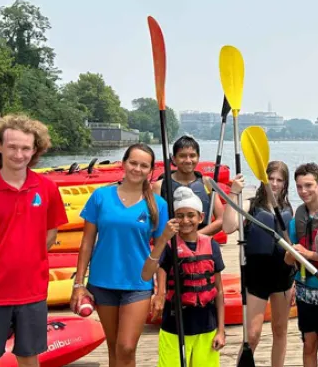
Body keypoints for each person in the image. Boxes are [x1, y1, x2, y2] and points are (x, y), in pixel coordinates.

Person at [0, 114, 69, 367]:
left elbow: (51, 234)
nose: (19, 154)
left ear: (35, 149)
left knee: (29, 357)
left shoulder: (48, 189)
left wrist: (27, 258)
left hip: (32, 291)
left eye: (26, 148)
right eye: (12, 147)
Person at [69, 143, 174, 367]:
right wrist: (79, 284)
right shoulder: (101, 197)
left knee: (127, 347)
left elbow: (162, 249)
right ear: (124, 163)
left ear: (150, 170)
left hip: (138, 283)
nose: (137, 169)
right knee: (114, 347)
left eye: (143, 165)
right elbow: (87, 243)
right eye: (133, 163)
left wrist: (161, 291)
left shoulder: (158, 204)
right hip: (102, 282)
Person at [223, 161, 296, 367]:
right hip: (257, 278)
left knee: (280, 330)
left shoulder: (288, 209)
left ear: (285, 184)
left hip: (283, 278)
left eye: (279, 180)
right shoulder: (250, 204)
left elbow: (292, 247)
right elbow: (228, 226)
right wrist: (234, 194)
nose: (274, 184)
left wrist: (297, 280)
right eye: (270, 179)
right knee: (252, 335)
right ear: (263, 180)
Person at [149, 186, 226, 367]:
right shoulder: (168, 248)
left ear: (201, 217)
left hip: (206, 326)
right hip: (174, 327)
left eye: (191, 215)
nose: (185, 220)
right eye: (180, 216)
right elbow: (158, 275)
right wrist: (159, 295)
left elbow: (219, 292)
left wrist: (221, 330)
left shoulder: (211, 246)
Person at [283, 163, 318, 367]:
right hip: (305, 291)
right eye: (299, 186)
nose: (304, 191)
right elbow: (288, 261)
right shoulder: (297, 221)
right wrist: (291, 254)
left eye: (309, 185)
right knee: (308, 346)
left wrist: (307, 254)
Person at [153, 135, 225, 237]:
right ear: (174, 159)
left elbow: (221, 219)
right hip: (171, 244)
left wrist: (195, 236)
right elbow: (154, 222)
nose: (188, 160)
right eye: (182, 156)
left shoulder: (207, 183)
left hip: (200, 242)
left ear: (198, 158)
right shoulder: (159, 186)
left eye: (192, 156)